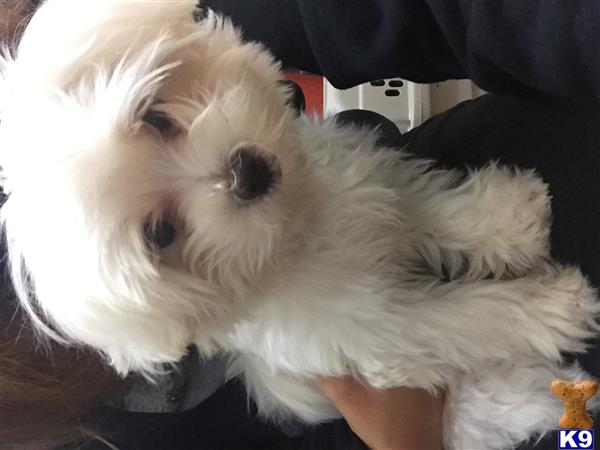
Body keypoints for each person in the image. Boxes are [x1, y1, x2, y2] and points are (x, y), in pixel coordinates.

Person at [2, 1, 600, 449]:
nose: (224, 176)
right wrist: (534, 313)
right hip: (439, 405)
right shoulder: (295, 320)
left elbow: (385, 188)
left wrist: (479, 221)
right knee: (547, 403)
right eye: (162, 232)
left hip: (520, 151)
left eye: (160, 120)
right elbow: (412, 345)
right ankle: (555, 395)